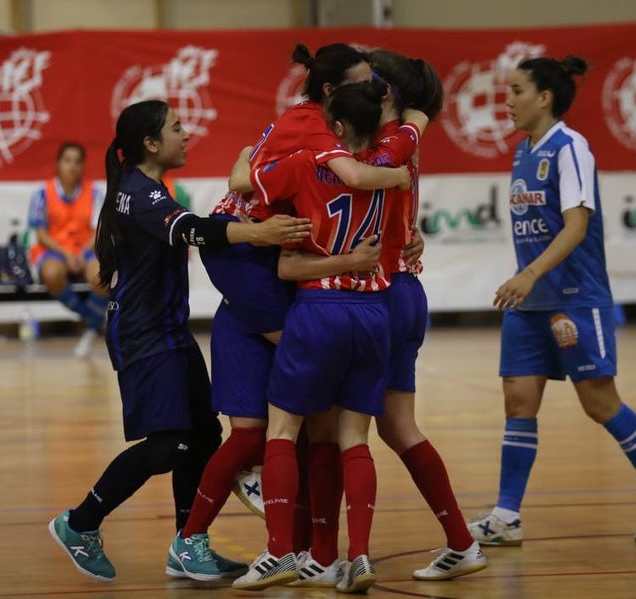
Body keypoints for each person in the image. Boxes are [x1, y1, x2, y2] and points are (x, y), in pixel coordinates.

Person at [167, 44, 408, 584]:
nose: (373, 87)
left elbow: (247, 167)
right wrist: (398, 179)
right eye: (363, 81)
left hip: (288, 274)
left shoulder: (335, 143)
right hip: (251, 258)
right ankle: (220, 537)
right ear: (332, 93)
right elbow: (244, 183)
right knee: (301, 426)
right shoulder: (324, 135)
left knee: (296, 426)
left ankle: (308, 549)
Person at [47, 100, 312, 583]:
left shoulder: (143, 188)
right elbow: (192, 230)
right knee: (171, 442)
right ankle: (80, 522)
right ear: (150, 143)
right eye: (176, 127)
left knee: (205, 435)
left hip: (168, 328)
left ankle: (187, 544)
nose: (186, 134)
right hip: (143, 333)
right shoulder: (140, 194)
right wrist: (259, 233)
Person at [466, 56, 636, 548]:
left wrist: (529, 273)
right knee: (518, 403)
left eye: (516, 91)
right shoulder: (522, 152)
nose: (507, 101)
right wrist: (528, 281)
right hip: (530, 304)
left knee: (599, 403)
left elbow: (577, 225)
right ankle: (506, 516)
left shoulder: (570, 148)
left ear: (544, 97)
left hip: (575, 298)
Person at [230, 80, 397, 593]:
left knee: (282, 430)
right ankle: (358, 556)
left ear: (337, 126)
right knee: (354, 437)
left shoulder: (305, 163)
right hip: (373, 310)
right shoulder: (389, 169)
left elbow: (246, 187)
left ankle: (279, 551)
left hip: (319, 308)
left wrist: (249, 155)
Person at [362, 51, 488, 581]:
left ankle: (334, 556)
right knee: (398, 427)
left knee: (341, 433)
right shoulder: (400, 138)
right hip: (405, 290)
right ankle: (461, 540)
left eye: (363, 79)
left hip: (376, 294)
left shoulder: (384, 144)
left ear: (385, 91)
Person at [27, 142, 110, 358]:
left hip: (86, 249)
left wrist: (81, 253)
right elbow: (41, 234)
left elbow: (99, 230)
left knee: (103, 277)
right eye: (67, 161)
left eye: (77, 161)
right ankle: (90, 318)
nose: (72, 166)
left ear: (83, 166)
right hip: (55, 250)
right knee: (51, 273)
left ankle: (90, 329)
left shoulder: (95, 193)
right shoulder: (42, 193)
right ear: (58, 164)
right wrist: (66, 254)